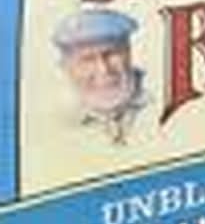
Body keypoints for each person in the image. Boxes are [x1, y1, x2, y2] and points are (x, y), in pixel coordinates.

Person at [52, 9, 148, 144]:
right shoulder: (61, 119)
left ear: (128, 53)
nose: (104, 69)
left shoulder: (156, 101)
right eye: (88, 59)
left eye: (111, 54)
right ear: (67, 67)